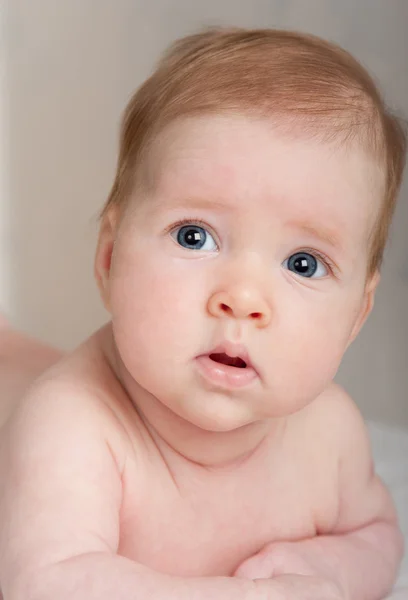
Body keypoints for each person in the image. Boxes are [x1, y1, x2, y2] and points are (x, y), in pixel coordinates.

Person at [0, 27, 406, 600]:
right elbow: (45, 582)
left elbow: (378, 533)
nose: (242, 298)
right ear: (110, 256)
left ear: (357, 316)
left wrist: (332, 568)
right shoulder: (74, 426)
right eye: (195, 236)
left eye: (304, 263)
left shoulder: (330, 435)